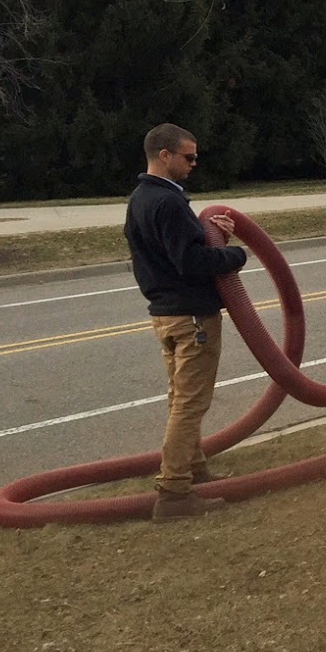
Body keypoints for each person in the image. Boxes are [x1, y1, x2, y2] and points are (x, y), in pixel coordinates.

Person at [124, 123, 248, 522]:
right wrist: (235, 256)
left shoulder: (140, 199)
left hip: (165, 314)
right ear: (164, 155)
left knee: (181, 399)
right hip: (191, 315)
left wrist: (215, 239)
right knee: (191, 405)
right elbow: (191, 262)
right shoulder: (169, 203)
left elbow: (168, 255)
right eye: (188, 157)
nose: (194, 163)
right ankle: (174, 492)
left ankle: (195, 470)